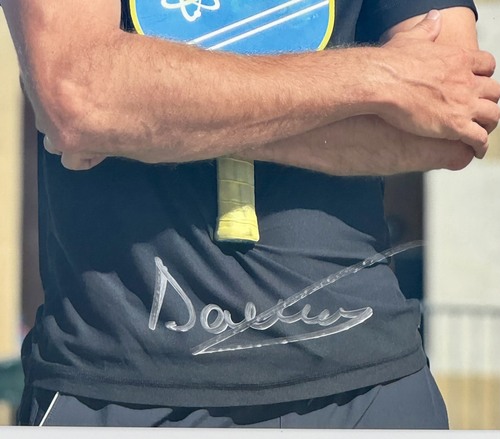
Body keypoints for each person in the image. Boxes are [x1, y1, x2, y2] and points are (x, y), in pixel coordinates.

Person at [2, 0, 500, 429]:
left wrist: (154, 117)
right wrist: (379, 76)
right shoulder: (379, 77)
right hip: (117, 389)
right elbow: (80, 94)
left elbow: (456, 118)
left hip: (372, 386)